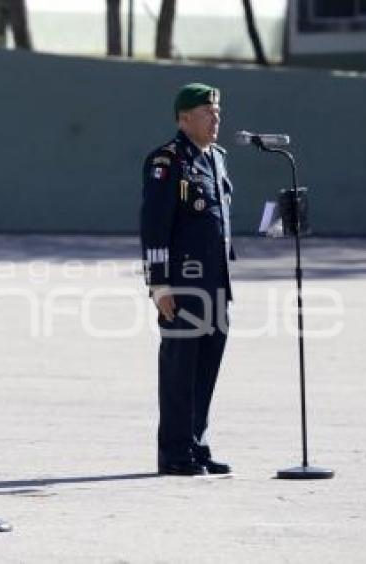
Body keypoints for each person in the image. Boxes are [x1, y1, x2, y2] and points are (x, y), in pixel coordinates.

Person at [140, 83, 235, 477]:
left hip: (216, 284)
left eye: (217, 111)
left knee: (206, 368)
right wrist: (159, 284)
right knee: (180, 369)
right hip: (182, 285)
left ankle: (195, 444)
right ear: (184, 118)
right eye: (206, 112)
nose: (216, 118)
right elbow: (154, 225)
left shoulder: (217, 159)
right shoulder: (167, 161)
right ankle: (174, 453)